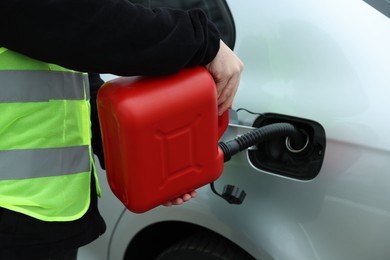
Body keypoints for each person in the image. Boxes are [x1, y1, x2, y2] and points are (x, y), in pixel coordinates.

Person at [0, 1, 244, 259]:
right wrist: (203, 40)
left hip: (42, 219)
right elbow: (89, 27)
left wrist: (145, 167)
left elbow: (76, 94)